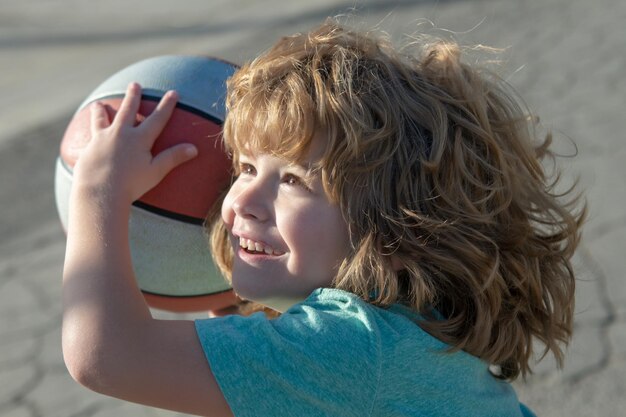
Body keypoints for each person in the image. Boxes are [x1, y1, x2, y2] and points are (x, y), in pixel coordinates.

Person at [62, 20, 585, 417]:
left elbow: (105, 356)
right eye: (245, 167)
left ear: (398, 229)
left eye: (293, 180)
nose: (241, 200)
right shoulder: (408, 340)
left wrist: (98, 190)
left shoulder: (354, 352)